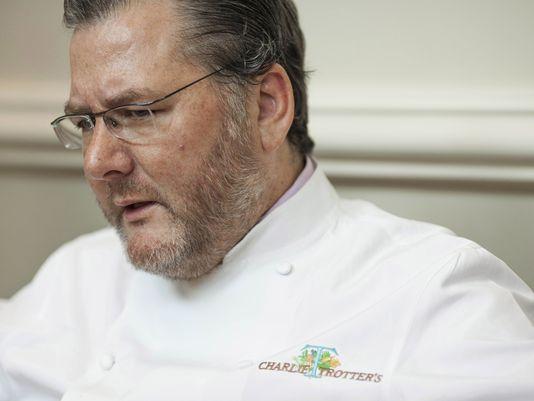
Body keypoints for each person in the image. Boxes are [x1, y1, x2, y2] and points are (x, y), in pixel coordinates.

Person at [1, 0, 533, 399]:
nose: (97, 162)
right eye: (85, 123)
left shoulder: (435, 299)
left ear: (266, 107)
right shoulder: (76, 279)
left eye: (138, 113)